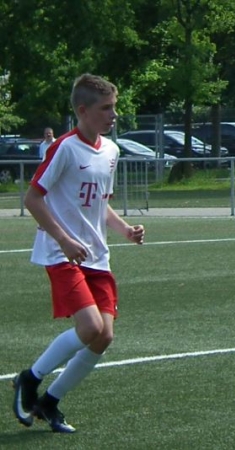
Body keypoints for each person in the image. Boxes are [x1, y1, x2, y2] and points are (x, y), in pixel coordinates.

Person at [12, 74, 145, 433]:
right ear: (83, 111)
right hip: (62, 253)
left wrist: (125, 230)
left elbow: (101, 204)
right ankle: (29, 378)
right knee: (90, 327)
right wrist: (64, 239)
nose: (113, 114)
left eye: (114, 107)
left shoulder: (112, 151)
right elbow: (33, 198)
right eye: (106, 108)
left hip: (96, 255)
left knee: (104, 336)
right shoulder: (65, 148)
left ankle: (50, 402)